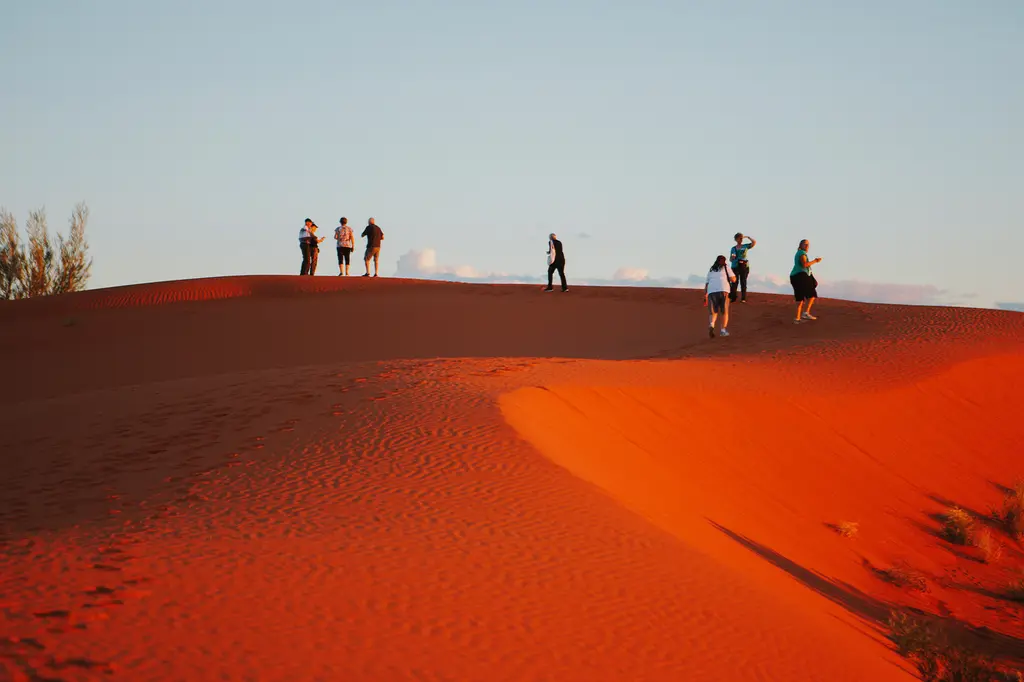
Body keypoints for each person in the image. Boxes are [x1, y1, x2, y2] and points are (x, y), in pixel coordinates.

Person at [790, 239, 822, 323]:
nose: (807, 246)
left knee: (800, 298)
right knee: (812, 294)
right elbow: (804, 265)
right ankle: (806, 313)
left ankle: (797, 318)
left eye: (808, 244)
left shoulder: (800, 253)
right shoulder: (801, 253)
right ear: (801, 245)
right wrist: (815, 261)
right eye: (805, 244)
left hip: (795, 276)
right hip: (800, 275)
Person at [704, 255, 736, 337]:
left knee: (713, 312)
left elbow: (707, 283)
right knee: (724, 312)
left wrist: (705, 295)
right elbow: (733, 279)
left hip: (711, 291)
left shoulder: (711, 269)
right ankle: (723, 330)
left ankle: (711, 324)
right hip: (723, 289)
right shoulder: (726, 267)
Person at [728, 232, 756, 303]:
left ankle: (743, 298)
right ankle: (733, 297)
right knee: (734, 282)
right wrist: (732, 257)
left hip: (744, 266)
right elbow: (731, 259)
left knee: (743, 282)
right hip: (735, 266)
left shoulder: (745, 246)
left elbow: (754, 242)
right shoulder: (733, 248)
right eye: (739, 238)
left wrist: (748, 237)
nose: (740, 239)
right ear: (736, 239)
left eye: (741, 238)